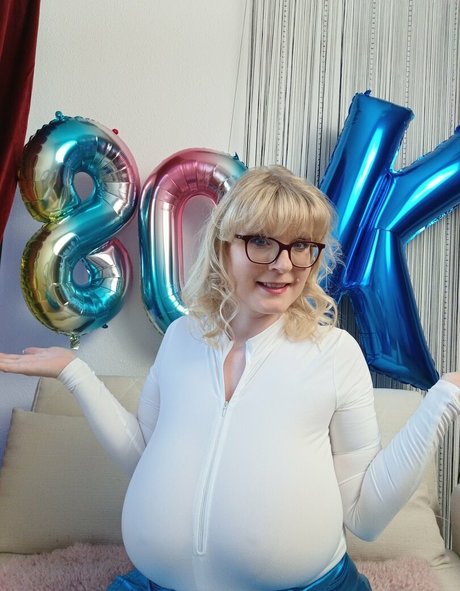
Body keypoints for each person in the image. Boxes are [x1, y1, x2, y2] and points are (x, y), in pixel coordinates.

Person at [1, 165, 459, 591]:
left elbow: (366, 517)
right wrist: (74, 373)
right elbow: (143, 455)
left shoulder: (335, 353)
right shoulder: (182, 337)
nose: (283, 264)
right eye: (261, 241)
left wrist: (445, 397)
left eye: (302, 246)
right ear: (225, 247)